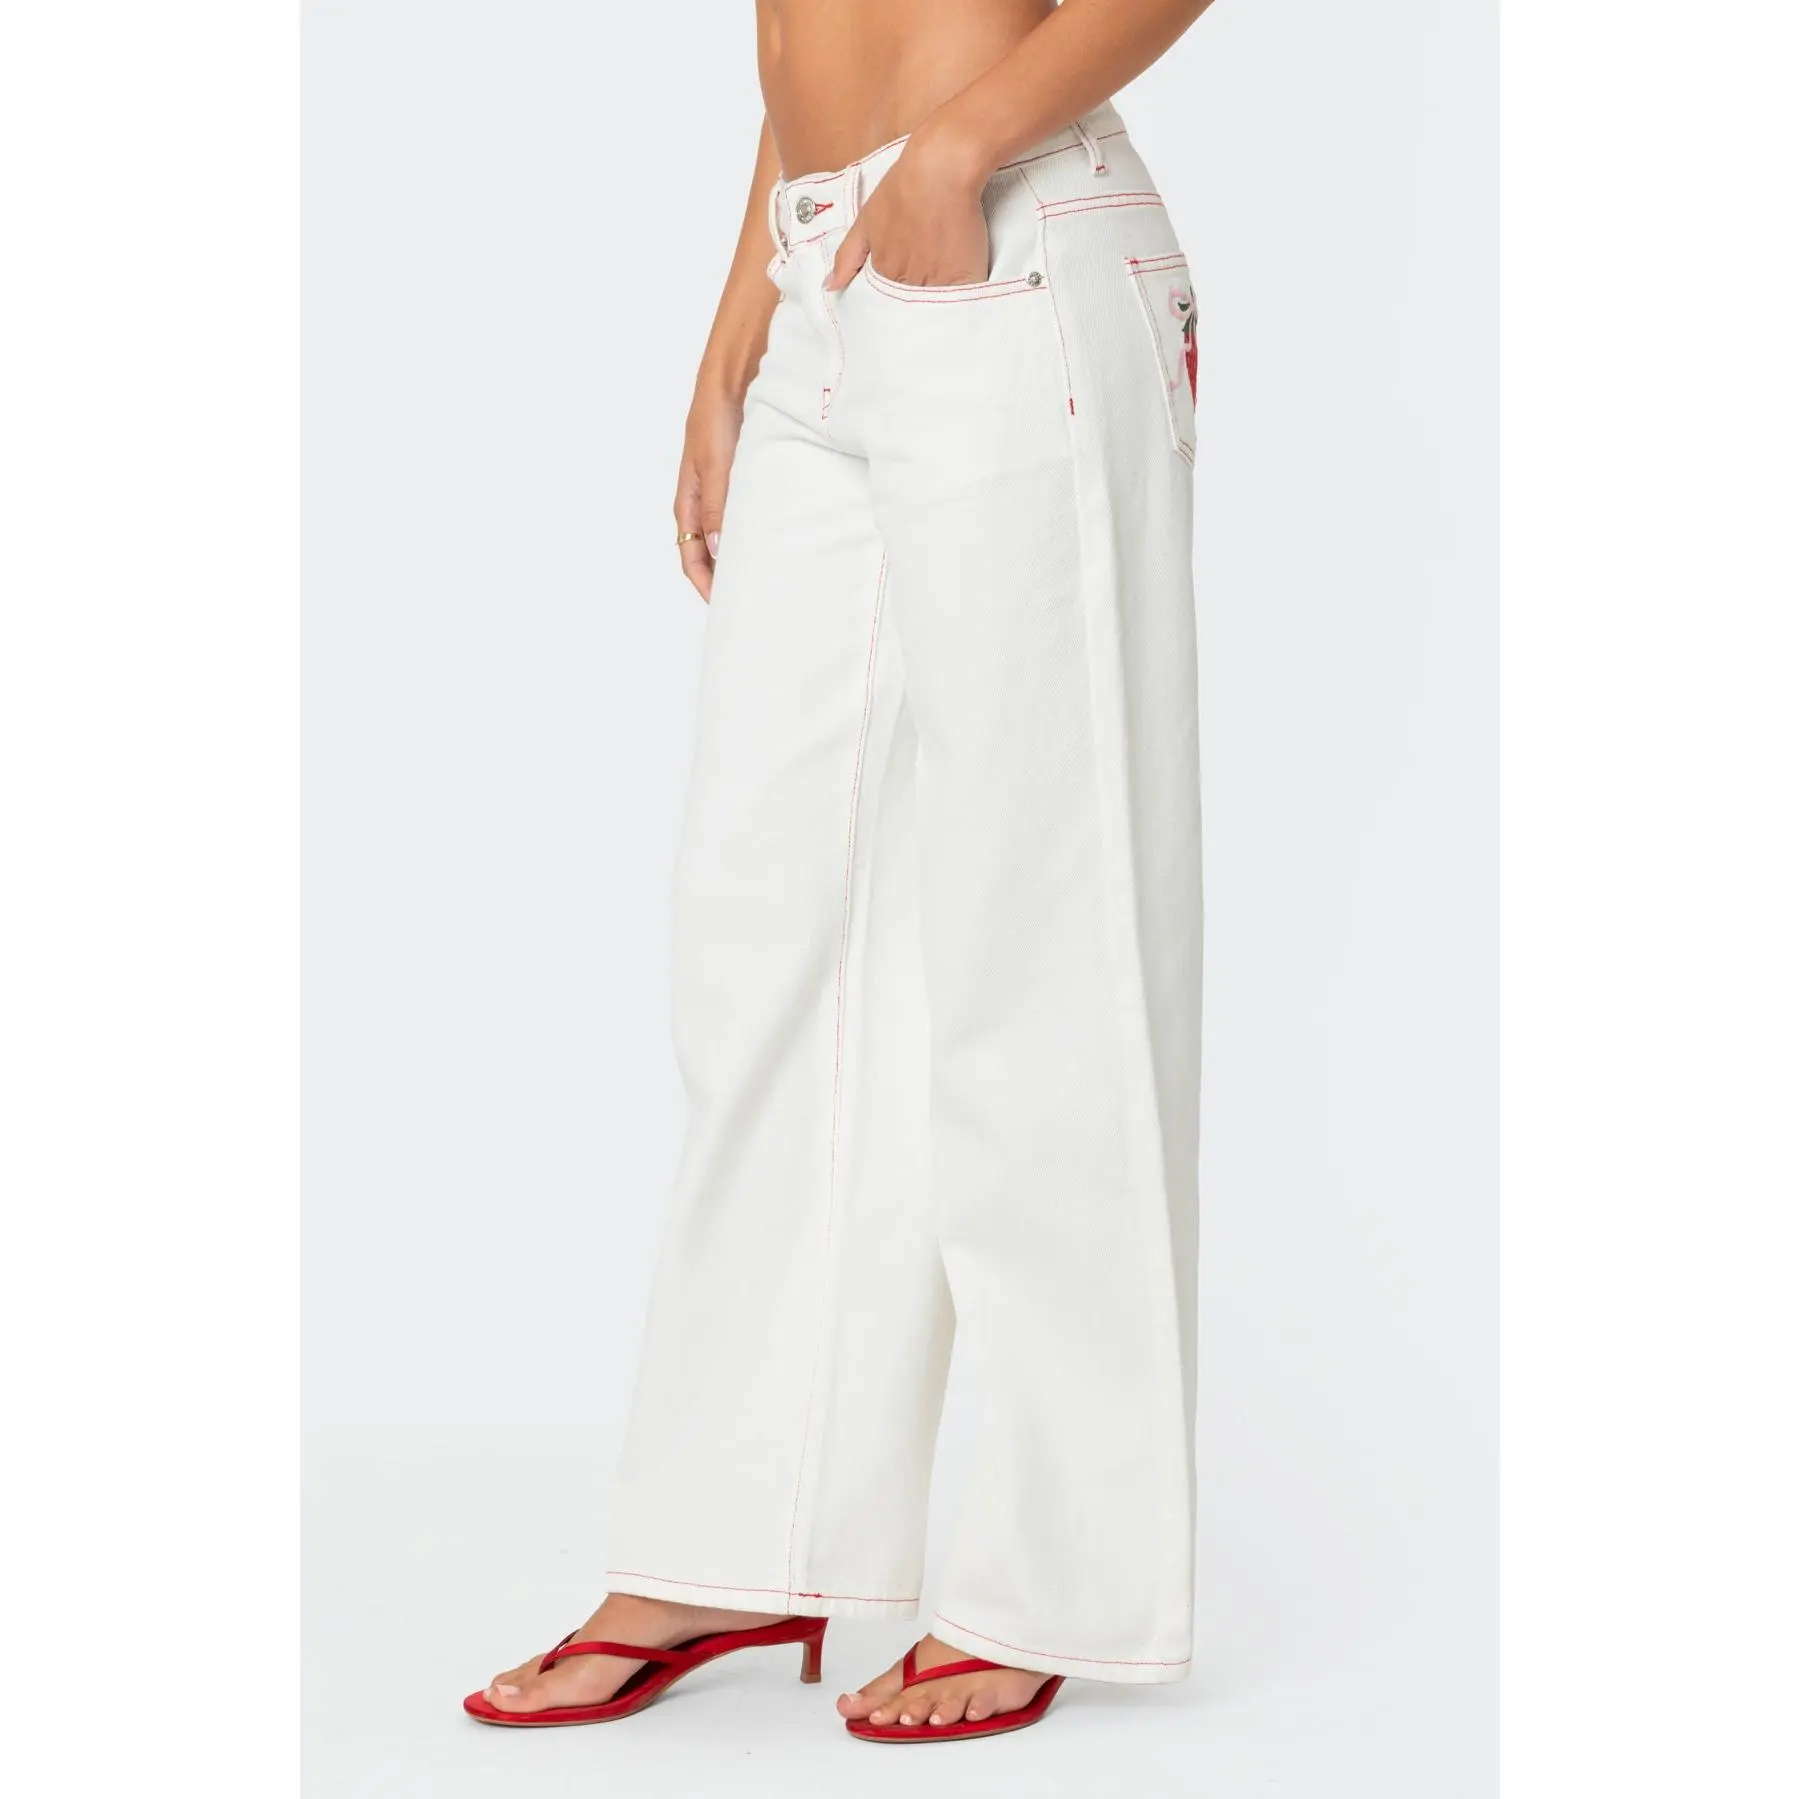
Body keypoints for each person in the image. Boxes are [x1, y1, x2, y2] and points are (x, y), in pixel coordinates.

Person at [466, 0, 1214, 1744]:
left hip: (1007, 234)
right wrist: (740, 322)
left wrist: (958, 147)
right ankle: (743, 1533)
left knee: (1045, 935)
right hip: (827, 269)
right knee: (768, 937)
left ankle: (1056, 1575)